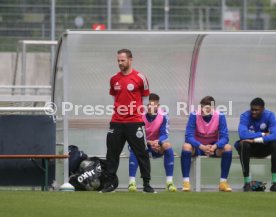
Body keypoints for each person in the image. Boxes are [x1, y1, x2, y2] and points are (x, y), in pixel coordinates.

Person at [100, 49, 156, 193]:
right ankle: (110, 184)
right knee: (112, 154)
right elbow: (115, 98)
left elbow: (144, 98)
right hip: (117, 122)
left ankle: (147, 184)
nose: (120, 63)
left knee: (141, 153)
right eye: (118, 60)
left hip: (135, 122)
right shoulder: (114, 79)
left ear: (130, 60)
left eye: (122, 60)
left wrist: (135, 112)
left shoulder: (140, 78)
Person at [181, 96, 232, 192]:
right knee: (186, 146)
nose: (204, 110)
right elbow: (188, 136)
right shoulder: (194, 115)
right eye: (202, 107)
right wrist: (201, 146)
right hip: (199, 147)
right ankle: (186, 183)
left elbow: (225, 137)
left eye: (207, 108)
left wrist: (215, 146)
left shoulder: (220, 116)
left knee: (228, 148)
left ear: (213, 108)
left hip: (213, 148)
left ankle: (223, 183)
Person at [128, 93, 177, 192]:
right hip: (142, 144)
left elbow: (165, 133)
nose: (151, 107)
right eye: (149, 104)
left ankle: (169, 182)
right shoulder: (140, 115)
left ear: (158, 106)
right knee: (134, 147)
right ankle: (131, 183)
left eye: (154, 105)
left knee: (167, 146)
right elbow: (136, 134)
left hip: (156, 145)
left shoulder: (164, 115)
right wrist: (149, 142)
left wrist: (158, 142)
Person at [235, 97, 276, 192]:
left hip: (263, 147)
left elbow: (275, 135)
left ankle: (275, 183)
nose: (253, 112)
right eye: (252, 109)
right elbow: (242, 134)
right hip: (249, 149)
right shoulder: (244, 116)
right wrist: (262, 134)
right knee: (244, 144)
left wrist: (255, 140)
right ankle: (247, 183)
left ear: (263, 109)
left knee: (275, 144)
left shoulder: (270, 115)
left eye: (256, 110)